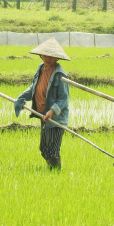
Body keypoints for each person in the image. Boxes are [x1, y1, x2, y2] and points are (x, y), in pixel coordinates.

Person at [14, 37, 71, 170]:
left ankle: (55, 174)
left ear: (57, 57)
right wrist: (21, 97)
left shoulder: (60, 75)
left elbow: (63, 99)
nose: (48, 58)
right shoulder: (40, 69)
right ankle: (52, 171)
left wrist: (51, 111)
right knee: (44, 148)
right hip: (43, 115)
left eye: (52, 56)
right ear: (41, 55)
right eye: (45, 55)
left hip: (55, 118)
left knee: (52, 148)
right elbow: (35, 87)